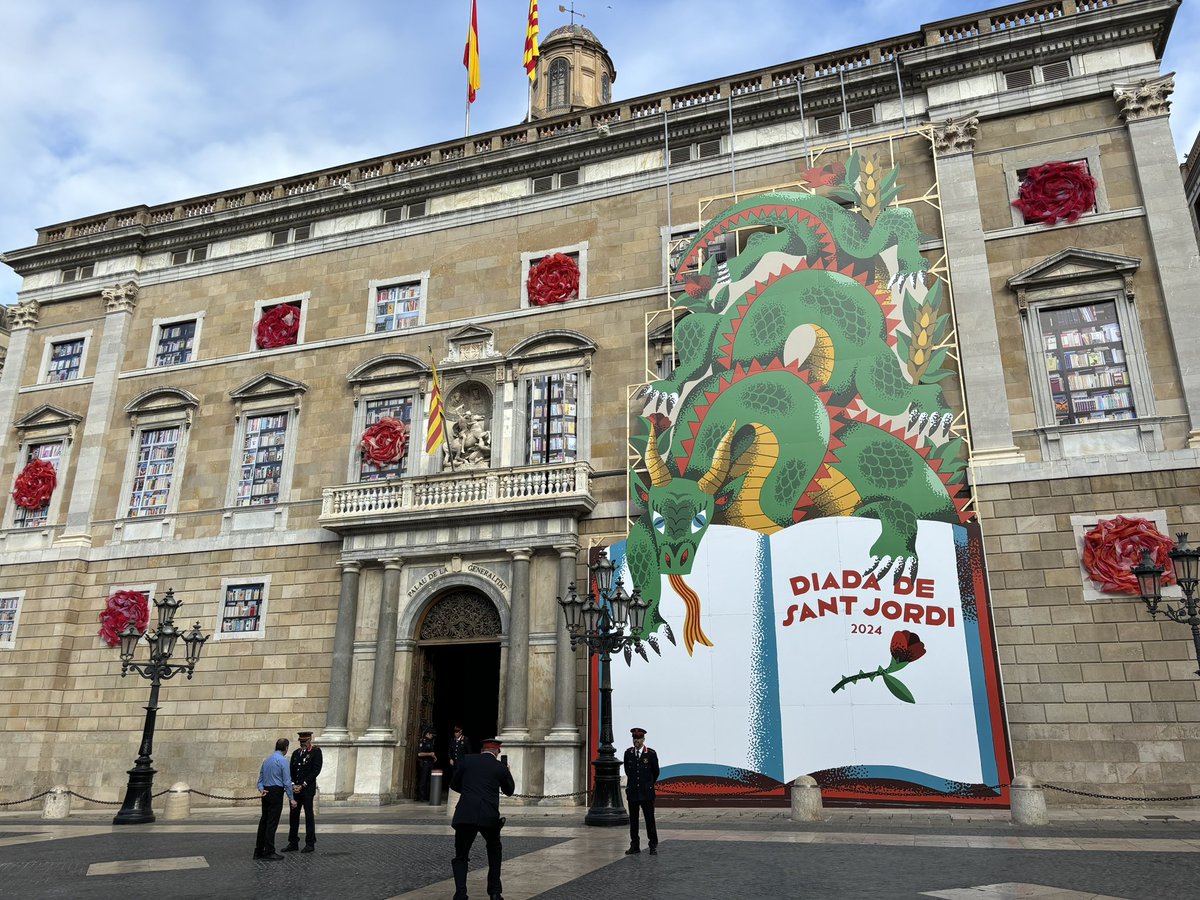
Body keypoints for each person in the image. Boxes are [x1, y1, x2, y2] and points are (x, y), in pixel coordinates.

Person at [450, 737, 515, 900]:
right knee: (494, 851)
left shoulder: (467, 761)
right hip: (488, 816)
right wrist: (508, 771)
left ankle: (460, 894)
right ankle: (494, 892)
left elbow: (454, 784)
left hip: (465, 814)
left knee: (461, 856)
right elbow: (509, 791)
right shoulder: (499, 767)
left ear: (482, 750)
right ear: (497, 752)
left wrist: (469, 791)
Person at [254, 738, 296, 860]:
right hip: (276, 792)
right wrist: (291, 798)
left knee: (264, 822)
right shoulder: (283, 761)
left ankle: (258, 851)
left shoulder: (266, 761)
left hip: (266, 792)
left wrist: (262, 789)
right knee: (272, 823)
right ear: (286, 748)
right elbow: (287, 781)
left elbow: (260, 780)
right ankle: (269, 851)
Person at [283, 730, 323, 853]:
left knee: (309, 816)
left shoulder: (316, 752)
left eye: (304, 741)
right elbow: (292, 771)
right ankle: (293, 841)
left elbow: (316, 770)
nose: (302, 744)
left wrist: (303, 785)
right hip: (296, 790)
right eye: (301, 742)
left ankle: (310, 842)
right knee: (293, 816)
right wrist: (294, 784)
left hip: (307, 790)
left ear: (310, 739)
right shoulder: (296, 753)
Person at [623, 727, 659, 856]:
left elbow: (656, 772)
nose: (636, 740)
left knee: (650, 819)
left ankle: (653, 845)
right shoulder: (628, 753)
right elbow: (628, 771)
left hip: (646, 793)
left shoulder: (651, 754)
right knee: (634, 821)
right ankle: (635, 845)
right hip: (633, 792)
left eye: (638, 738)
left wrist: (648, 784)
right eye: (634, 738)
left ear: (643, 739)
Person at [415, 727, 437, 802]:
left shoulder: (431, 741)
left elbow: (431, 752)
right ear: (428, 734)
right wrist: (430, 754)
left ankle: (426, 796)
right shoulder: (422, 741)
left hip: (430, 763)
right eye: (431, 735)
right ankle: (420, 796)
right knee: (423, 780)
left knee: (429, 780)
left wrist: (433, 757)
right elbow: (419, 754)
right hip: (424, 763)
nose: (432, 736)